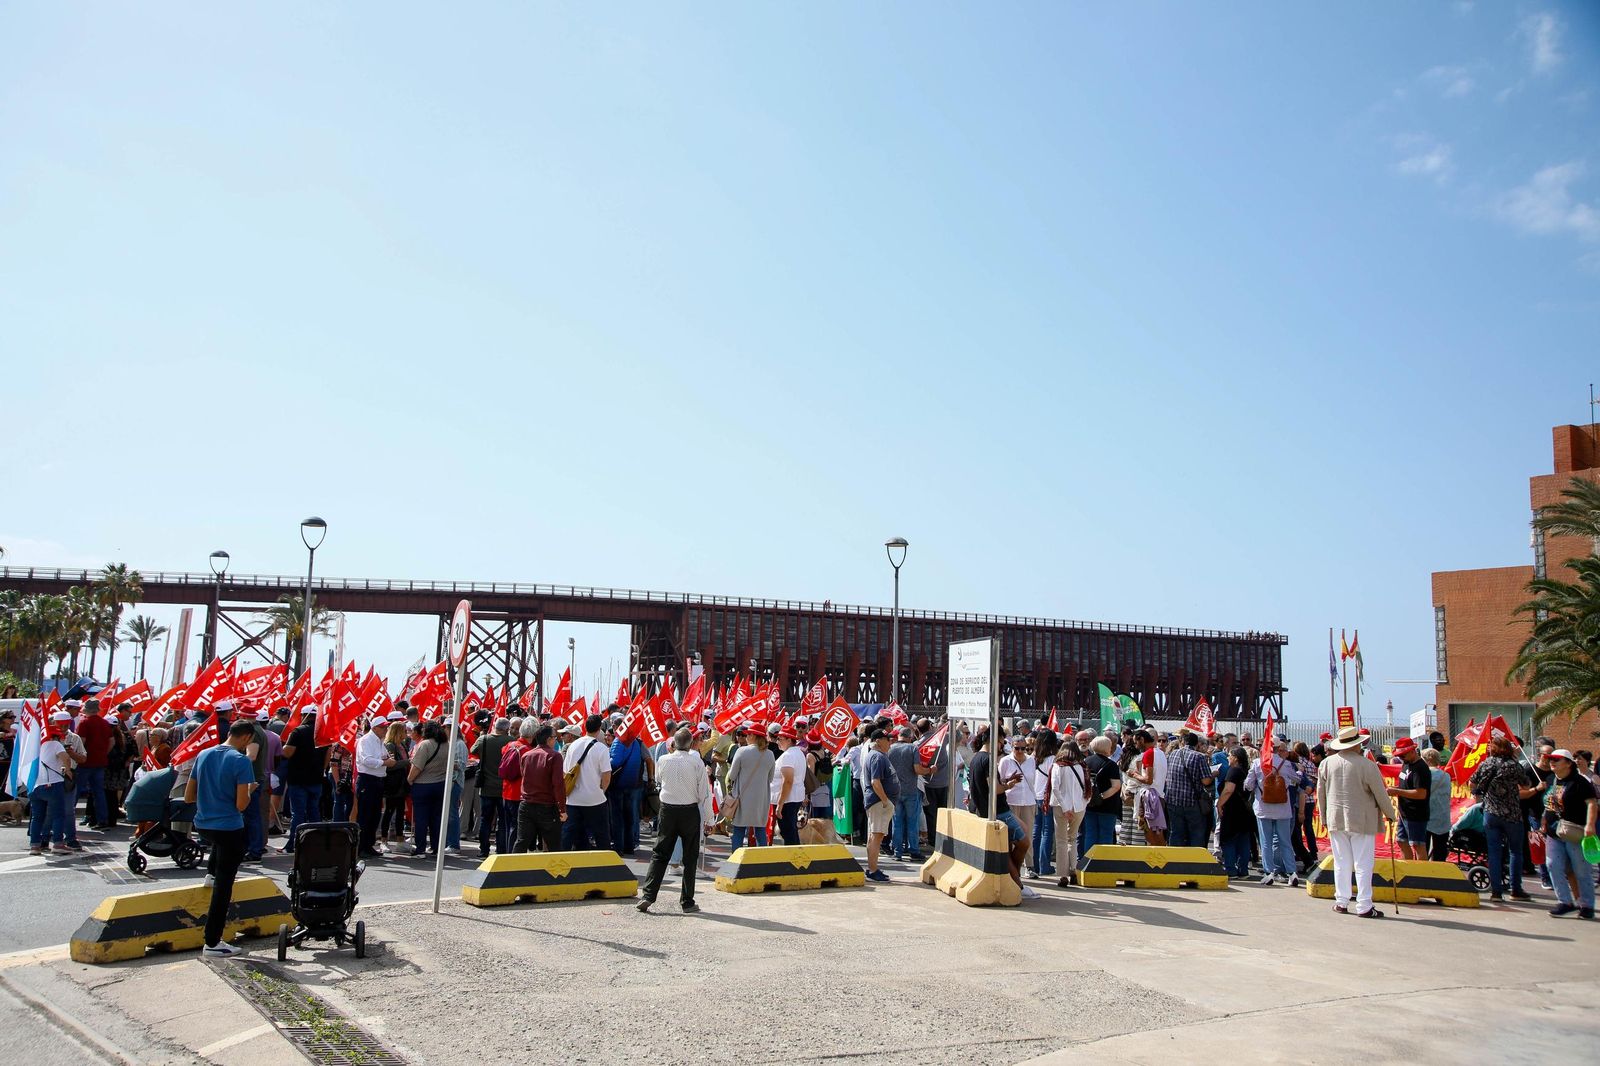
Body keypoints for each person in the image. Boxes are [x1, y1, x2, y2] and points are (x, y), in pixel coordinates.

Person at [184, 719, 257, 958]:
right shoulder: (241, 760)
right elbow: (241, 804)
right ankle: (213, 941)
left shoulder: (204, 754)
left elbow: (189, 796)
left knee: (219, 851)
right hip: (229, 826)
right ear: (246, 738)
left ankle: (210, 874)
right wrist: (250, 790)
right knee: (223, 888)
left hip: (203, 823)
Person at [1316, 725, 1397, 918]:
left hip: (1336, 818)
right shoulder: (1367, 765)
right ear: (1356, 744)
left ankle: (1341, 901)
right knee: (1363, 864)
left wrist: (1325, 817)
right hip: (1362, 819)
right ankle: (1364, 905)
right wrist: (1390, 814)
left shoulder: (1326, 763)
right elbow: (1380, 793)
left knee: (1341, 862)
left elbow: (1321, 794)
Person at [637, 728, 714, 913]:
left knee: (660, 853)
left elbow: (659, 779)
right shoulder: (696, 762)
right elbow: (704, 794)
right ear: (690, 744)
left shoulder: (663, 760)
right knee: (690, 857)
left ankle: (648, 896)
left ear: (674, 744)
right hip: (689, 810)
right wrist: (709, 820)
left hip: (668, 810)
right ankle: (687, 901)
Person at [1469, 736, 1540, 902]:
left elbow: (1472, 783)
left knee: (1494, 852)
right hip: (1512, 813)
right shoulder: (1514, 765)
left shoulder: (1486, 764)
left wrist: (1481, 793)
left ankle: (1496, 892)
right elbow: (1526, 785)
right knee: (1515, 851)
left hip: (1491, 813)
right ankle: (1516, 889)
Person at [968, 726, 1035, 898]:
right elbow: (995, 789)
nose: (1002, 745)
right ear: (996, 740)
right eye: (1002, 742)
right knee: (1021, 843)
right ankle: (1016, 882)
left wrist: (1005, 782)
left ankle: (1014, 879)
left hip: (990, 809)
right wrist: (1008, 785)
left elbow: (988, 785)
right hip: (998, 810)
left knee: (1015, 841)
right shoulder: (988, 760)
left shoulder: (977, 758)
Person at [1541, 749, 1597, 919]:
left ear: (1568, 763)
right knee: (1553, 865)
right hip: (1553, 832)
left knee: (1581, 870)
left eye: (1556, 759)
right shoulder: (1551, 779)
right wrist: (1543, 820)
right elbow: (1548, 804)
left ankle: (1587, 905)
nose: (1552, 762)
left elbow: (1592, 803)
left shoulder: (1580, 782)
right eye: (1550, 759)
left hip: (1574, 832)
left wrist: (1590, 825)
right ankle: (1565, 902)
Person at [1244, 739, 1302, 886]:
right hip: (1283, 808)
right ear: (1277, 748)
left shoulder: (1257, 763)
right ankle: (1292, 872)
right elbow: (1297, 779)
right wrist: (1300, 771)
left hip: (1263, 807)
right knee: (1285, 841)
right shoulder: (1286, 764)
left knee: (1266, 842)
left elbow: (1248, 785)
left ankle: (1269, 872)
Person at [279, 708, 328, 853]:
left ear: (303, 716)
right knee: (314, 812)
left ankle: (293, 845)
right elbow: (328, 754)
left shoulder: (298, 732)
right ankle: (317, 843)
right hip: (316, 779)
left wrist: (281, 747)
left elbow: (288, 753)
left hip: (298, 779)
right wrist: (321, 769)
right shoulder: (323, 733)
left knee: (298, 814)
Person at [562, 713, 613, 850]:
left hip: (573, 798)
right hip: (595, 798)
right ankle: (604, 860)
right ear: (599, 729)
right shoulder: (601, 748)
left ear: (585, 727)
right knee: (601, 835)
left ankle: (563, 858)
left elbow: (565, 772)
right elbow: (606, 775)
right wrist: (602, 791)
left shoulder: (573, 746)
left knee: (571, 834)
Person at [516, 724, 565, 852]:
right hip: (546, 806)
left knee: (521, 842)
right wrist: (562, 809)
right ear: (549, 739)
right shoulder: (555, 756)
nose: (556, 740)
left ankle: (511, 865)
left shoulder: (526, 755)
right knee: (554, 845)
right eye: (554, 737)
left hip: (526, 804)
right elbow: (558, 784)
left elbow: (524, 777)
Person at [27, 715, 71, 856]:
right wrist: (68, 771)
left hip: (34, 785)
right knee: (58, 815)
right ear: (56, 735)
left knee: (37, 817)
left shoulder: (35, 746)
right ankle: (58, 844)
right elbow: (66, 758)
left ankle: (34, 846)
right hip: (53, 783)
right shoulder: (55, 744)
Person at [1047, 739, 1089, 887]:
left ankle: (1063, 875)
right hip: (1079, 806)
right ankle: (1073, 870)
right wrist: (1082, 804)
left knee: (1061, 840)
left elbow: (1055, 788)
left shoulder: (1058, 766)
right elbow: (1088, 788)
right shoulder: (1082, 766)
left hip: (1061, 806)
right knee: (1073, 838)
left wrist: (1065, 808)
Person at [860, 727, 899, 883]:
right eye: (887, 739)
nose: (890, 742)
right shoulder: (877, 756)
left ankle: (872, 868)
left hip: (878, 802)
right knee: (876, 836)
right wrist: (885, 801)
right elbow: (875, 782)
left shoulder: (878, 756)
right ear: (878, 741)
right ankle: (872, 869)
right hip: (878, 802)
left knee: (874, 836)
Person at [725, 727, 774, 851]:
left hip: (742, 797)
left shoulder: (742, 751)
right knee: (760, 831)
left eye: (747, 734)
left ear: (753, 736)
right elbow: (770, 778)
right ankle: (762, 860)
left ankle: (735, 860)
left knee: (739, 831)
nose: (745, 737)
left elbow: (732, 775)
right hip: (761, 798)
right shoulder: (770, 754)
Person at [1384, 736, 1432, 861]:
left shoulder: (1420, 768)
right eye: (1399, 756)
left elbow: (1421, 794)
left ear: (1412, 751)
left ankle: (1422, 870)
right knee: (1401, 841)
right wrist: (1395, 789)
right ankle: (1408, 868)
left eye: (1403, 755)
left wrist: (1397, 791)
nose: (1401, 758)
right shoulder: (1406, 764)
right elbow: (1406, 786)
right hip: (1404, 813)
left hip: (1416, 814)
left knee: (1417, 845)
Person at [471, 717, 514, 857]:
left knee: (485, 819)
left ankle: (484, 849)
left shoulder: (483, 739)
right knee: (503, 820)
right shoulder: (510, 741)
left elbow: (473, 750)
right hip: (503, 787)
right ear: (507, 729)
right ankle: (501, 849)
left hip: (486, 787)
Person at [1164, 730, 1214, 849]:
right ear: (1197, 744)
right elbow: (1206, 781)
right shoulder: (1199, 757)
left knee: (1176, 833)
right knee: (1196, 833)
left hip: (1173, 800)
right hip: (1192, 801)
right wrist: (1214, 774)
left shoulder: (1172, 754)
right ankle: (1195, 859)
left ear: (1182, 742)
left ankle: (1175, 858)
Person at [406, 721, 449, 857]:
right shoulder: (446, 744)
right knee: (436, 818)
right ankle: (436, 848)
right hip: (440, 784)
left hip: (423, 785)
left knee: (421, 818)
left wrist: (410, 779)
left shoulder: (425, 744)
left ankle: (420, 849)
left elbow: (417, 766)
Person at [608, 719, 650, 857]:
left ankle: (619, 846)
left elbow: (615, 762)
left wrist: (605, 759)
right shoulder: (636, 742)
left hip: (618, 784)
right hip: (633, 784)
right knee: (630, 816)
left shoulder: (618, 741)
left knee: (618, 817)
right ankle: (629, 846)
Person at [887, 726, 928, 862]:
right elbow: (917, 769)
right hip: (910, 790)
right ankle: (913, 850)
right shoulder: (912, 748)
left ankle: (897, 851)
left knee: (897, 822)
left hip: (894, 791)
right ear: (910, 737)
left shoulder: (890, 748)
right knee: (912, 822)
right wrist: (930, 770)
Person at [1079, 736, 1123, 859]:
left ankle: (1089, 861)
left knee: (1090, 834)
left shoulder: (1085, 762)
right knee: (1106, 834)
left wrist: (1092, 797)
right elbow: (1116, 786)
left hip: (1089, 803)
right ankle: (1103, 862)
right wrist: (1101, 797)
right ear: (1106, 747)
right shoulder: (1111, 765)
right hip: (1107, 806)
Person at [73, 698, 114, 830]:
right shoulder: (104, 723)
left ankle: (67, 818)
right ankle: (103, 821)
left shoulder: (84, 723)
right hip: (100, 762)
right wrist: (103, 753)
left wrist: (77, 757)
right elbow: (112, 741)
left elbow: (81, 742)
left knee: (75, 791)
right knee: (99, 792)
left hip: (84, 763)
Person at [999, 731, 1036, 873]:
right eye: (1017, 748)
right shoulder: (1005, 761)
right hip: (1011, 801)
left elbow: (1033, 780)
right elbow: (1000, 781)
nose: (1020, 751)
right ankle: (1013, 867)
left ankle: (1029, 866)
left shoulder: (1031, 761)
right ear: (1012, 747)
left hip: (1028, 801)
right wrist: (1010, 781)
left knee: (1028, 834)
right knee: (1012, 835)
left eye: (1023, 748)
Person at [1216, 748, 1253, 879]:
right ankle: (1243, 870)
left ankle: (1231, 869)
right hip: (1245, 811)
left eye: (1230, 755)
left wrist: (1219, 804)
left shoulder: (1234, 771)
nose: (1228, 758)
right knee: (1243, 841)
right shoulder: (1246, 771)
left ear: (1236, 758)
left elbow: (1228, 790)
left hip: (1232, 810)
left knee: (1228, 840)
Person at [771, 725, 808, 847]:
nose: (777, 741)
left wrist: (780, 804)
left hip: (788, 799)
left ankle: (793, 855)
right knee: (791, 831)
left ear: (788, 739)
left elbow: (787, 781)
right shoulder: (797, 753)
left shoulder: (788, 755)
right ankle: (795, 854)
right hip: (792, 797)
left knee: (788, 831)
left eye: (780, 738)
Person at [379, 718, 411, 846]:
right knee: (389, 811)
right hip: (392, 784)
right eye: (404, 731)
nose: (406, 733)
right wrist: (408, 762)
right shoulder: (390, 745)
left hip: (402, 783)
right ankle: (384, 839)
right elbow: (390, 765)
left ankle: (400, 839)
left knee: (400, 812)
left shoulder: (402, 745)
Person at [1421, 748, 1453, 862]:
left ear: (1427, 760)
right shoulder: (1446, 776)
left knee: (1422, 850)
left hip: (1426, 816)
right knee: (1440, 852)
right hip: (1442, 817)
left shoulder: (1424, 774)